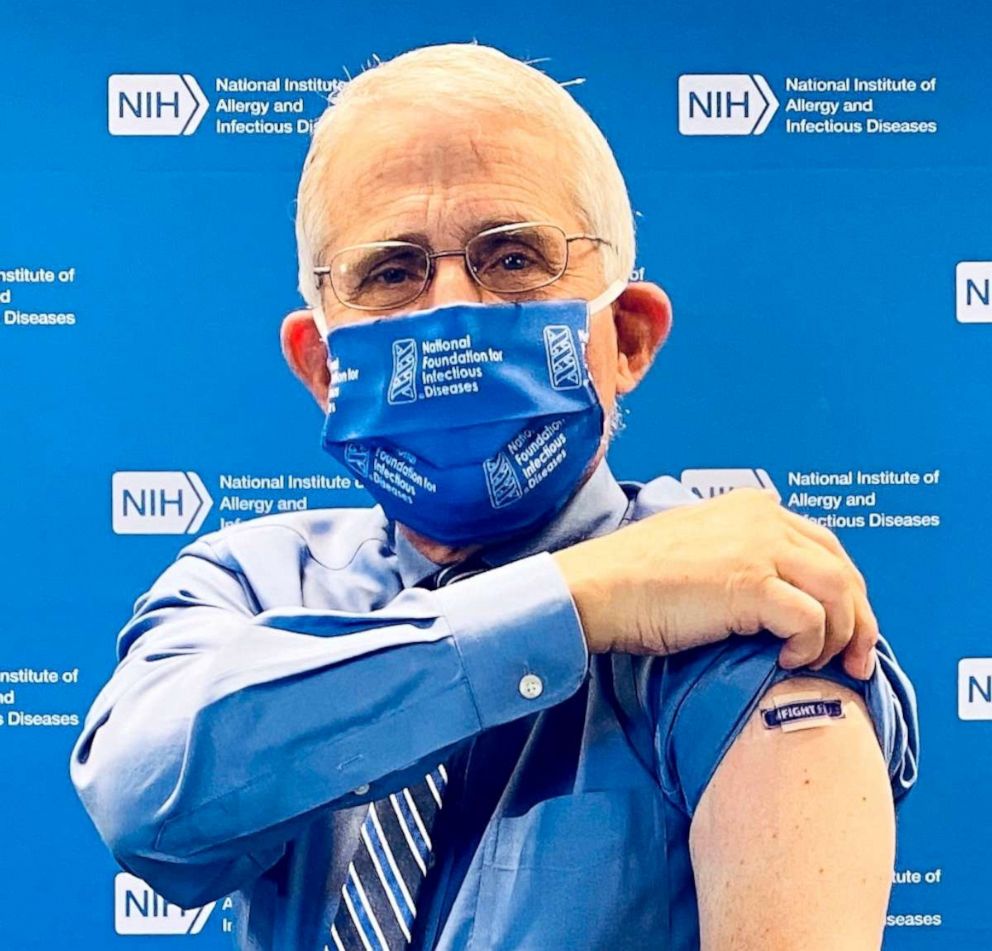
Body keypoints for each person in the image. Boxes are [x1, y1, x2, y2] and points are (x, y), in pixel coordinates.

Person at [70, 42, 919, 951]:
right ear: (322, 367)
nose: (449, 313)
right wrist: (576, 601)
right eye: (391, 272)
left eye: (512, 258)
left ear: (626, 337)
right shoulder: (256, 583)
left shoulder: (737, 611)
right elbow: (146, 797)